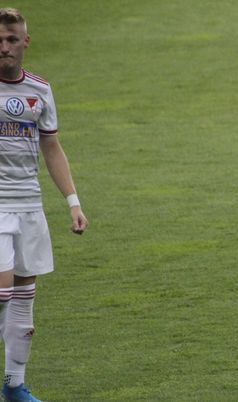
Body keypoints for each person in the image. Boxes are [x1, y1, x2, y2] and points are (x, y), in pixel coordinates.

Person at [0, 8, 88, 402]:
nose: (5, 47)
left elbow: (51, 147)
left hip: (30, 206)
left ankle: (14, 386)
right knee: (2, 294)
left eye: (12, 39)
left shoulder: (40, 90)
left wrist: (73, 202)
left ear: (26, 42)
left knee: (23, 302)